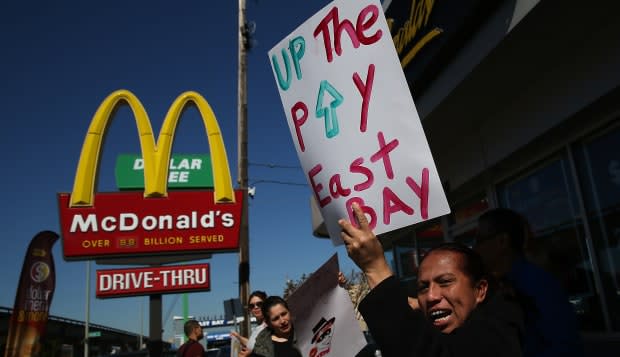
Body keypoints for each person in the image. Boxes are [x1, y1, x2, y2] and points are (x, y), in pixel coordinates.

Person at [338, 203, 524, 357]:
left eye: (445, 282)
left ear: (480, 290)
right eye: (423, 287)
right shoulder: (434, 327)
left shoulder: (500, 333)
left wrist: (375, 267)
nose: (431, 296)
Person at [474, 208, 584, 357]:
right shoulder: (493, 287)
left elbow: (566, 347)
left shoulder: (538, 284)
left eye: (480, 239)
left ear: (502, 241)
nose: (475, 248)